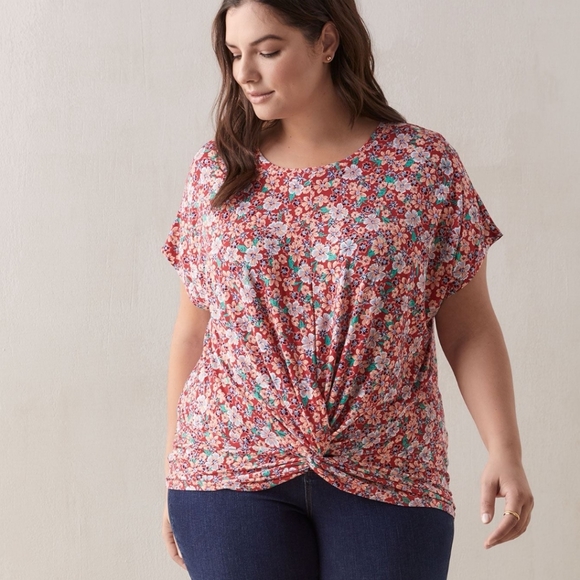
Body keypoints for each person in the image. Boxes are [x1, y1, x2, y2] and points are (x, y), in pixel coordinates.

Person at [160, 0, 534, 578]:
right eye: (234, 54)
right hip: (227, 470)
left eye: (268, 51)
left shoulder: (421, 166)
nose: (245, 74)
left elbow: (469, 328)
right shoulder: (217, 170)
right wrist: (177, 465)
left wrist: (504, 449)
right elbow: (192, 334)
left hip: (391, 468)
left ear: (327, 42)